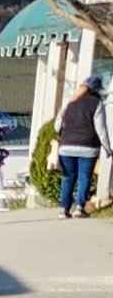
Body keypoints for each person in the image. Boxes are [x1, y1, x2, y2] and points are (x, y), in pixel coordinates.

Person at [56, 69, 103, 218]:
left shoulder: (69, 103)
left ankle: (64, 209)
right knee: (84, 177)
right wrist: (107, 147)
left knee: (68, 177)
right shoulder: (96, 104)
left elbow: (57, 126)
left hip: (66, 146)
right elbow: (100, 128)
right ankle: (79, 208)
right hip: (88, 146)